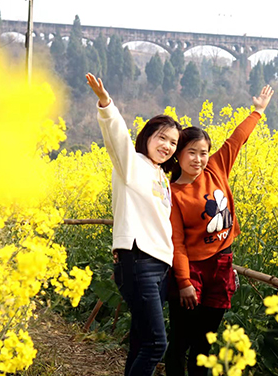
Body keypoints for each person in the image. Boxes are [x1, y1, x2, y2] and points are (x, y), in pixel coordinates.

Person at [164, 85, 274, 376]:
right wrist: (184, 281)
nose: (198, 159)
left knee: (205, 341)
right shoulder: (173, 193)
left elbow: (236, 141)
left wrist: (258, 111)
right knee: (180, 339)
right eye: (191, 153)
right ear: (177, 155)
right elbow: (177, 242)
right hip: (193, 270)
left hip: (222, 263)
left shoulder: (216, 169)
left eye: (203, 153)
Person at [86, 73, 181, 376]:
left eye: (173, 143)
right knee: (157, 343)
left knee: (142, 341)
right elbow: (117, 138)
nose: (166, 146)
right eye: (161, 138)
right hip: (138, 260)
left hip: (159, 266)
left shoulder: (161, 177)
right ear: (147, 136)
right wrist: (106, 104)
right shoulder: (132, 164)